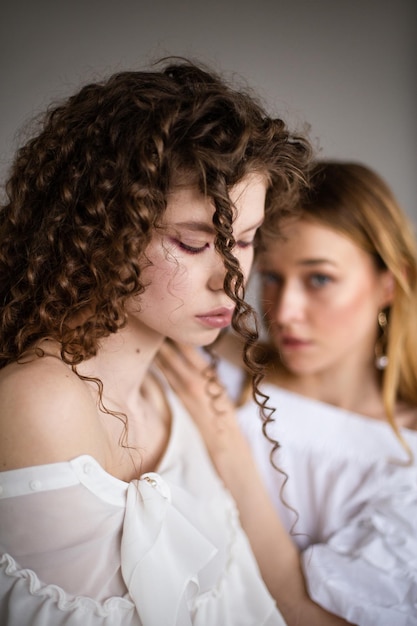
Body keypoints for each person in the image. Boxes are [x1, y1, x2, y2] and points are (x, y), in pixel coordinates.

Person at [0, 57, 351, 626]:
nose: (229, 280)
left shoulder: (180, 372)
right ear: (101, 231)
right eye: (192, 245)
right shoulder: (42, 404)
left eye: (243, 240)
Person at [157, 161, 417, 625]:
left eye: (319, 278)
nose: (285, 309)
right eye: (271, 277)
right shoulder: (205, 362)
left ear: (387, 284)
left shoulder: (405, 455)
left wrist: (225, 443)